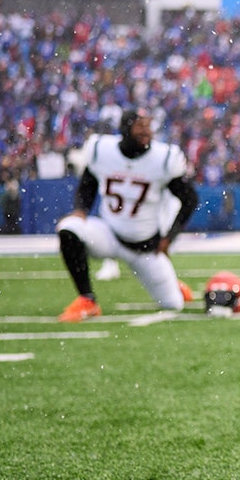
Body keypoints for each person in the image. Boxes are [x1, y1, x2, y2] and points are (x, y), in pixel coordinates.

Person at [55, 108, 199, 322]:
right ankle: (87, 300)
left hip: (145, 248)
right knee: (69, 228)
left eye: (148, 126)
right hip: (110, 235)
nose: (146, 132)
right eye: (140, 126)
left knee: (173, 304)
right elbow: (88, 183)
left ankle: (174, 286)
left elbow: (190, 199)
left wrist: (169, 237)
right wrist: (81, 210)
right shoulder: (102, 150)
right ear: (125, 128)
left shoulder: (163, 158)